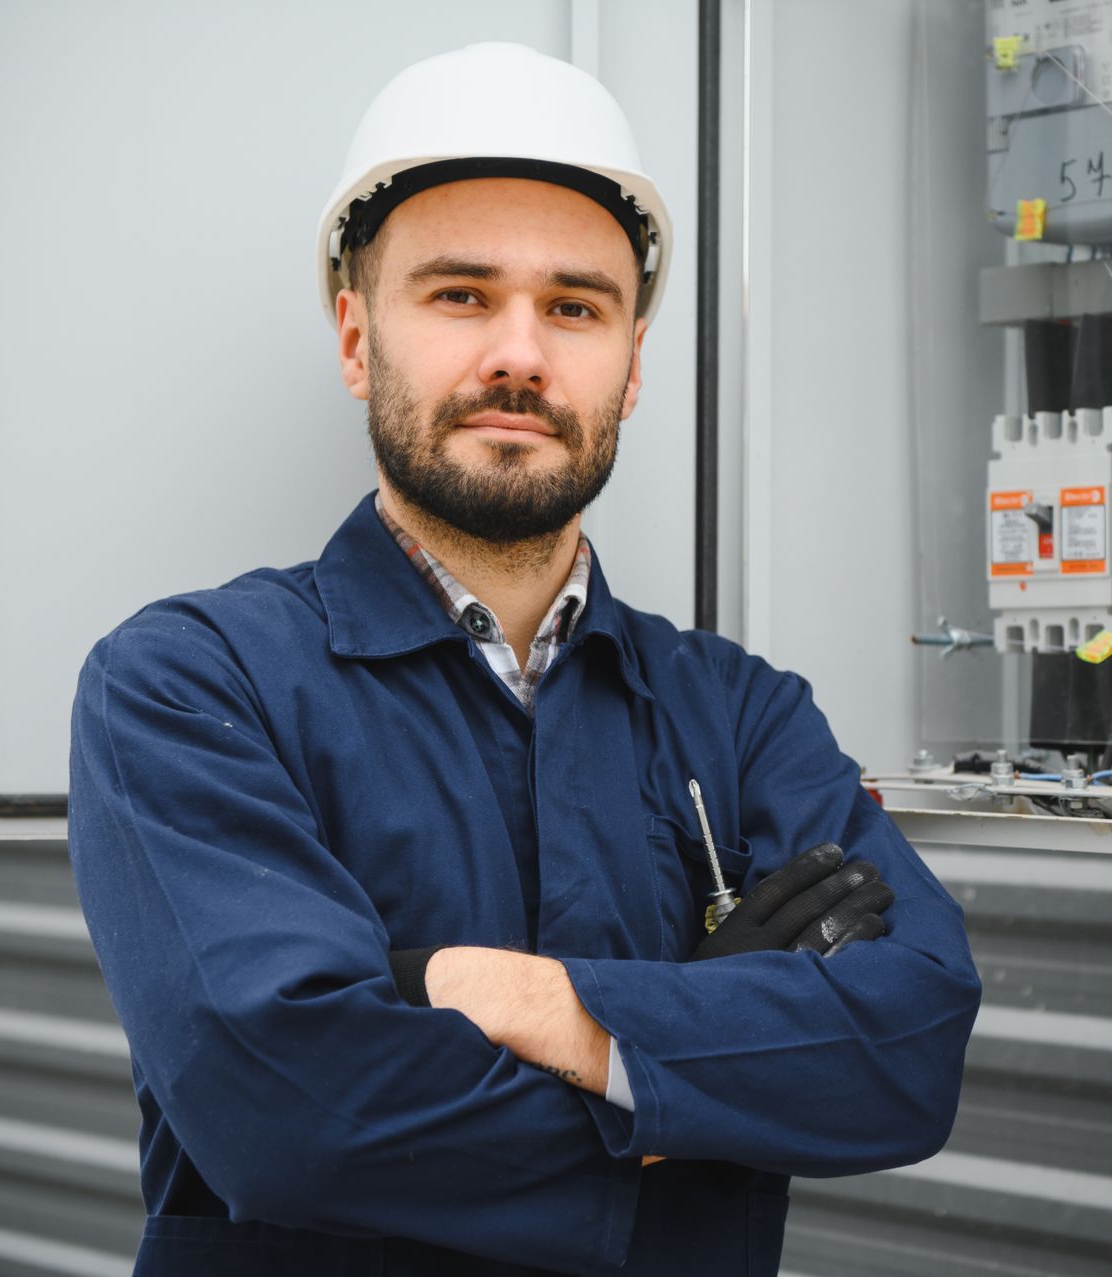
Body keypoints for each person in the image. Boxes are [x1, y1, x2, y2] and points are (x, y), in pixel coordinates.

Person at [67, 42, 981, 1277]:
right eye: (458, 295)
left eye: (574, 306)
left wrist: (499, 994)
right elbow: (296, 1116)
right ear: (355, 337)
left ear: (633, 364)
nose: (520, 354)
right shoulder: (191, 683)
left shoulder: (742, 712)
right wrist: (698, 1065)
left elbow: (908, 1048)